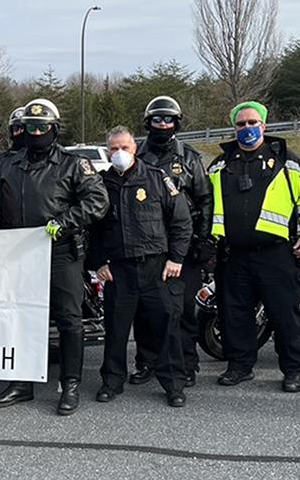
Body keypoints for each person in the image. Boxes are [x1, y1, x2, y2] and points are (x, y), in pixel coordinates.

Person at [0, 98, 109, 415]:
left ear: (55, 130)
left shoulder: (73, 164)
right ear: (21, 130)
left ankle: (70, 385)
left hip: (61, 253)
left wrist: (65, 222)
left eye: (43, 127)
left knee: (69, 321)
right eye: (30, 127)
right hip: (18, 255)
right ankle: (22, 383)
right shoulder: (5, 165)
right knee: (21, 319)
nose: (36, 133)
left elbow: (98, 200)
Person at [207, 101, 300, 393]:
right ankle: (240, 366)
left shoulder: (287, 161)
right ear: (234, 128)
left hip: (276, 255)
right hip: (233, 255)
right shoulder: (220, 165)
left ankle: (293, 370)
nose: (247, 128)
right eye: (241, 124)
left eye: (252, 123)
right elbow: (205, 208)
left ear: (264, 126)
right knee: (234, 314)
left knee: (285, 315)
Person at [90, 126, 192, 407]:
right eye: (114, 149)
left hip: (156, 267)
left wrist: (177, 258)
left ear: (135, 148)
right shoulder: (100, 184)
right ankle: (112, 381)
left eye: (125, 147)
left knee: (166, 329)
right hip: (118, 270)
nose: (119, 153)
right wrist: (98, 262)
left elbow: (181, 221)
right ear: (108, 151)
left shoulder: (159, 179)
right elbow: (93, 230)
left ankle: (173, 384)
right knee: (116, 330)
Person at [131, 95, 213, 388]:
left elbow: (205, 200)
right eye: (157, 119)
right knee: (144, 310)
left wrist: (202, 239)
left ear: (176, 123)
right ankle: (146, 361)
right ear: (148, 123)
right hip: (147, 245)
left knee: (180, 310)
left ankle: (186, 364)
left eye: (168, 119)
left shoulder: (190, 158)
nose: (162, 124)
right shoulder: (136, 156)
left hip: (183, 246)